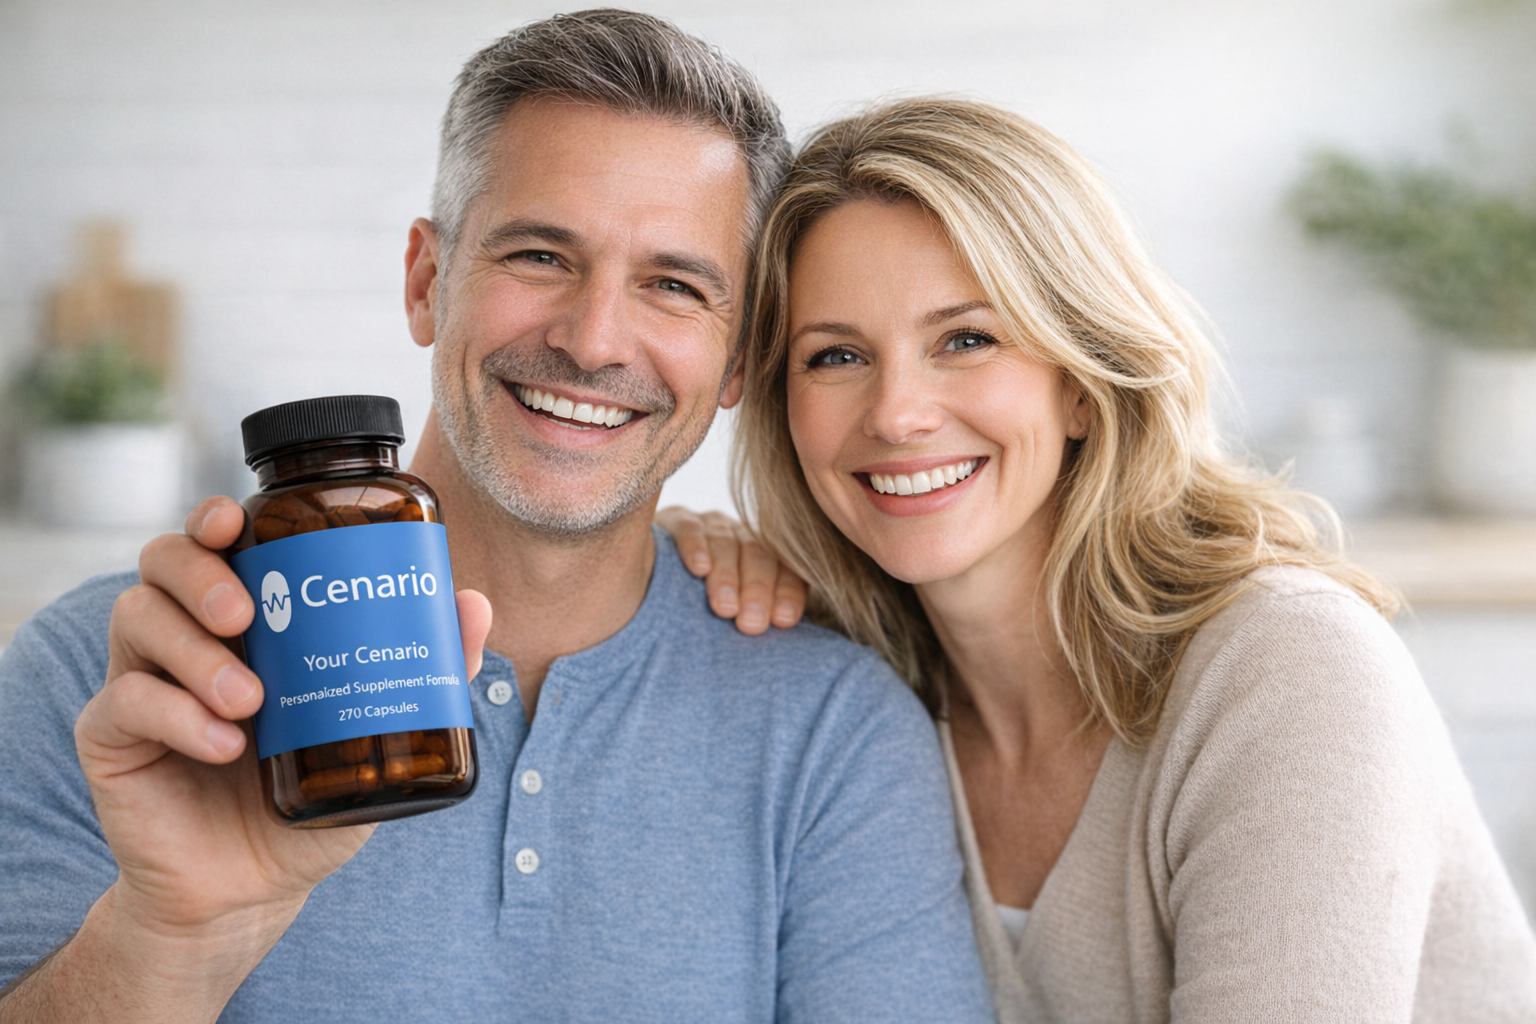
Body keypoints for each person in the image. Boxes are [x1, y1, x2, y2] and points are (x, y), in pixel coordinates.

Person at [0, 15, 994, 1023]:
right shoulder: (121, 691)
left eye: (673, 284)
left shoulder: (832, 732)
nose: (595, 338)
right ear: (427, 281)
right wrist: (167, 936)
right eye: (540, 255)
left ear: (739, 360)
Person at [667, 97, 1536, 1021]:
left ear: (1083, 384)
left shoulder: (1289, 671)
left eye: (968, 339)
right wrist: (686, 553)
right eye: (835, 356)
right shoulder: (859, 700)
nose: (896, 413)